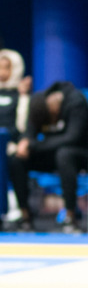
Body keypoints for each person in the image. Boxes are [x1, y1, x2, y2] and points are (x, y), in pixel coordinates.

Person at [8, 81, 88, 234]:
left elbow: (73, 137)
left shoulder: (76, 101)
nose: (51, 121)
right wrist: (25, 142)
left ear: (55, 106)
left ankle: (70, 216)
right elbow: (30, 131)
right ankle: (25, 216)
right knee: (18, 159)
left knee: (64, 155)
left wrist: (34, 145)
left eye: (52, 116)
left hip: (80, 154)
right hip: (51, 153)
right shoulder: (38, 103)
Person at [0, 49, 31, 227]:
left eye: (6, 67)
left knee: (16, 163)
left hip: (11, 145)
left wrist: (24, 96)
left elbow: (23, 125)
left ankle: (24, 212)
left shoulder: (20, 95)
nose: (2, 72)